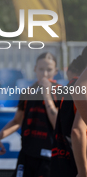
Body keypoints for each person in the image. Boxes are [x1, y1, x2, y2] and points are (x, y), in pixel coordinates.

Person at [0, 52, 61, 177]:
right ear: (35, 69)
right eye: (41, 69)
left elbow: (58, 124)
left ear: (55, 71)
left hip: (49, 156)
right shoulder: (28, 92)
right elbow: (17, 121)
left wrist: (47, 95)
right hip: (27, 154)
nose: (45, 73)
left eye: (49, 70)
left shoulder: (60, 91)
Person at [50, 47, 87, 177]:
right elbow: (77, 131)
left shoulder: (68, 87)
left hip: (61, 158)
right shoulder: (81, 89)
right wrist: (83, 172)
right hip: (78, 162)